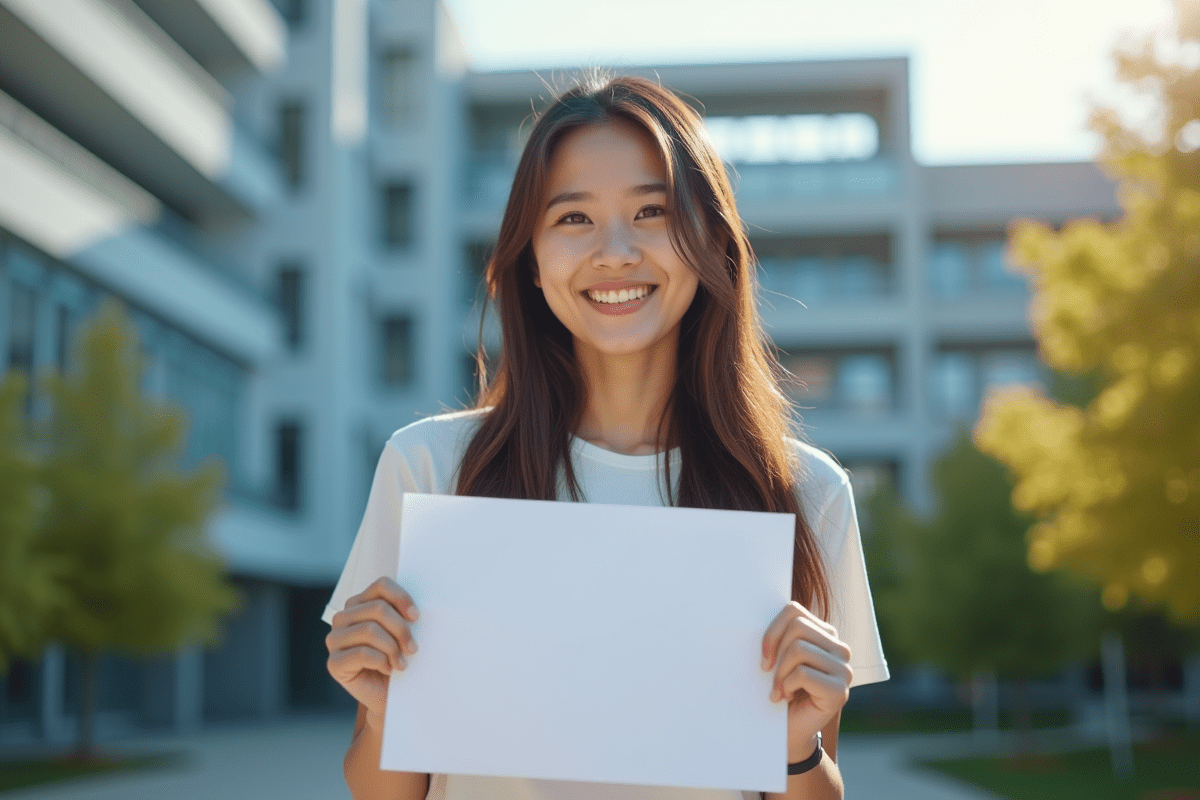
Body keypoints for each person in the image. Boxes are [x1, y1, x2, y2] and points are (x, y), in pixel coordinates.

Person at [322, 74, 889, 800]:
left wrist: (795, 750)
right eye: (574, 219)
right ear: (529, 257)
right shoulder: (429, 468)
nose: (615, 252)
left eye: (651, 211)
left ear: (711, 238)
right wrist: (380, 714)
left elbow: (814, 780)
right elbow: (386, 792)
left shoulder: (807, 492)